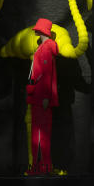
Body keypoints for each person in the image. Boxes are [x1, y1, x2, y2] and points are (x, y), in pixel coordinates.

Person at [27, 17, 59, 175]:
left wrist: (46, 96)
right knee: (40, 132)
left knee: (40, 133)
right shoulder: (45, 47)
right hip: (40, 96)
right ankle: (42, 166)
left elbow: (46, 74)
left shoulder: (45, 48)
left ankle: (42, 166)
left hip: (41, 97)